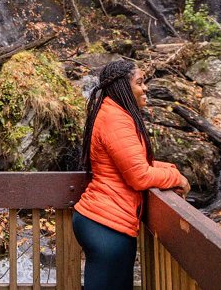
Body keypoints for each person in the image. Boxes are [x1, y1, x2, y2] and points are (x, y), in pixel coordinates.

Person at [73, 60, 190, 290]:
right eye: (140, 82)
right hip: (106, 225)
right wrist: (177, 179)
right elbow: (139, 176)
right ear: (123, 87)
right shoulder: (115, 119)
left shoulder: (113, 113)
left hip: (107, 222)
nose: (145, 88)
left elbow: (134, 163)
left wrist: (170, 169)